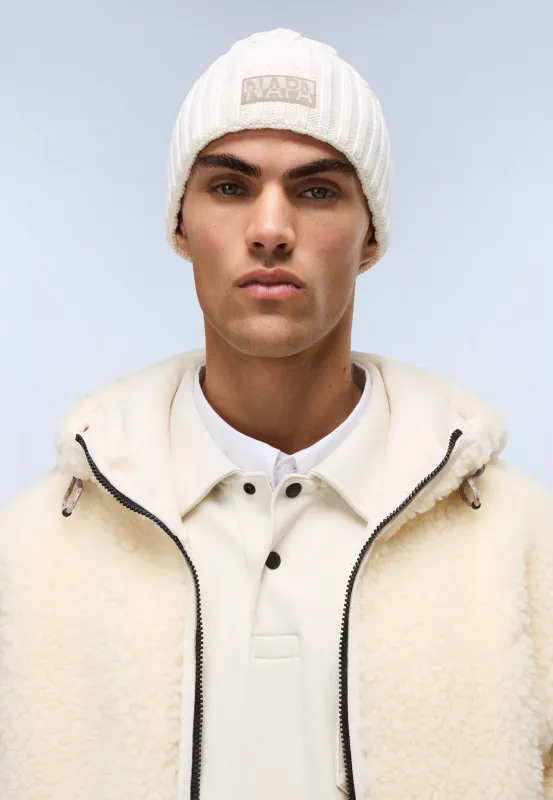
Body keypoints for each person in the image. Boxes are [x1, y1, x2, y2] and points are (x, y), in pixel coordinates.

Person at [1, 27, 551, 800]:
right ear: (180, 224)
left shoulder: (521, 542)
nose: (269, 229)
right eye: (230, 187)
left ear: (370, 234)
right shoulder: (30, 552)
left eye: (316, 190)